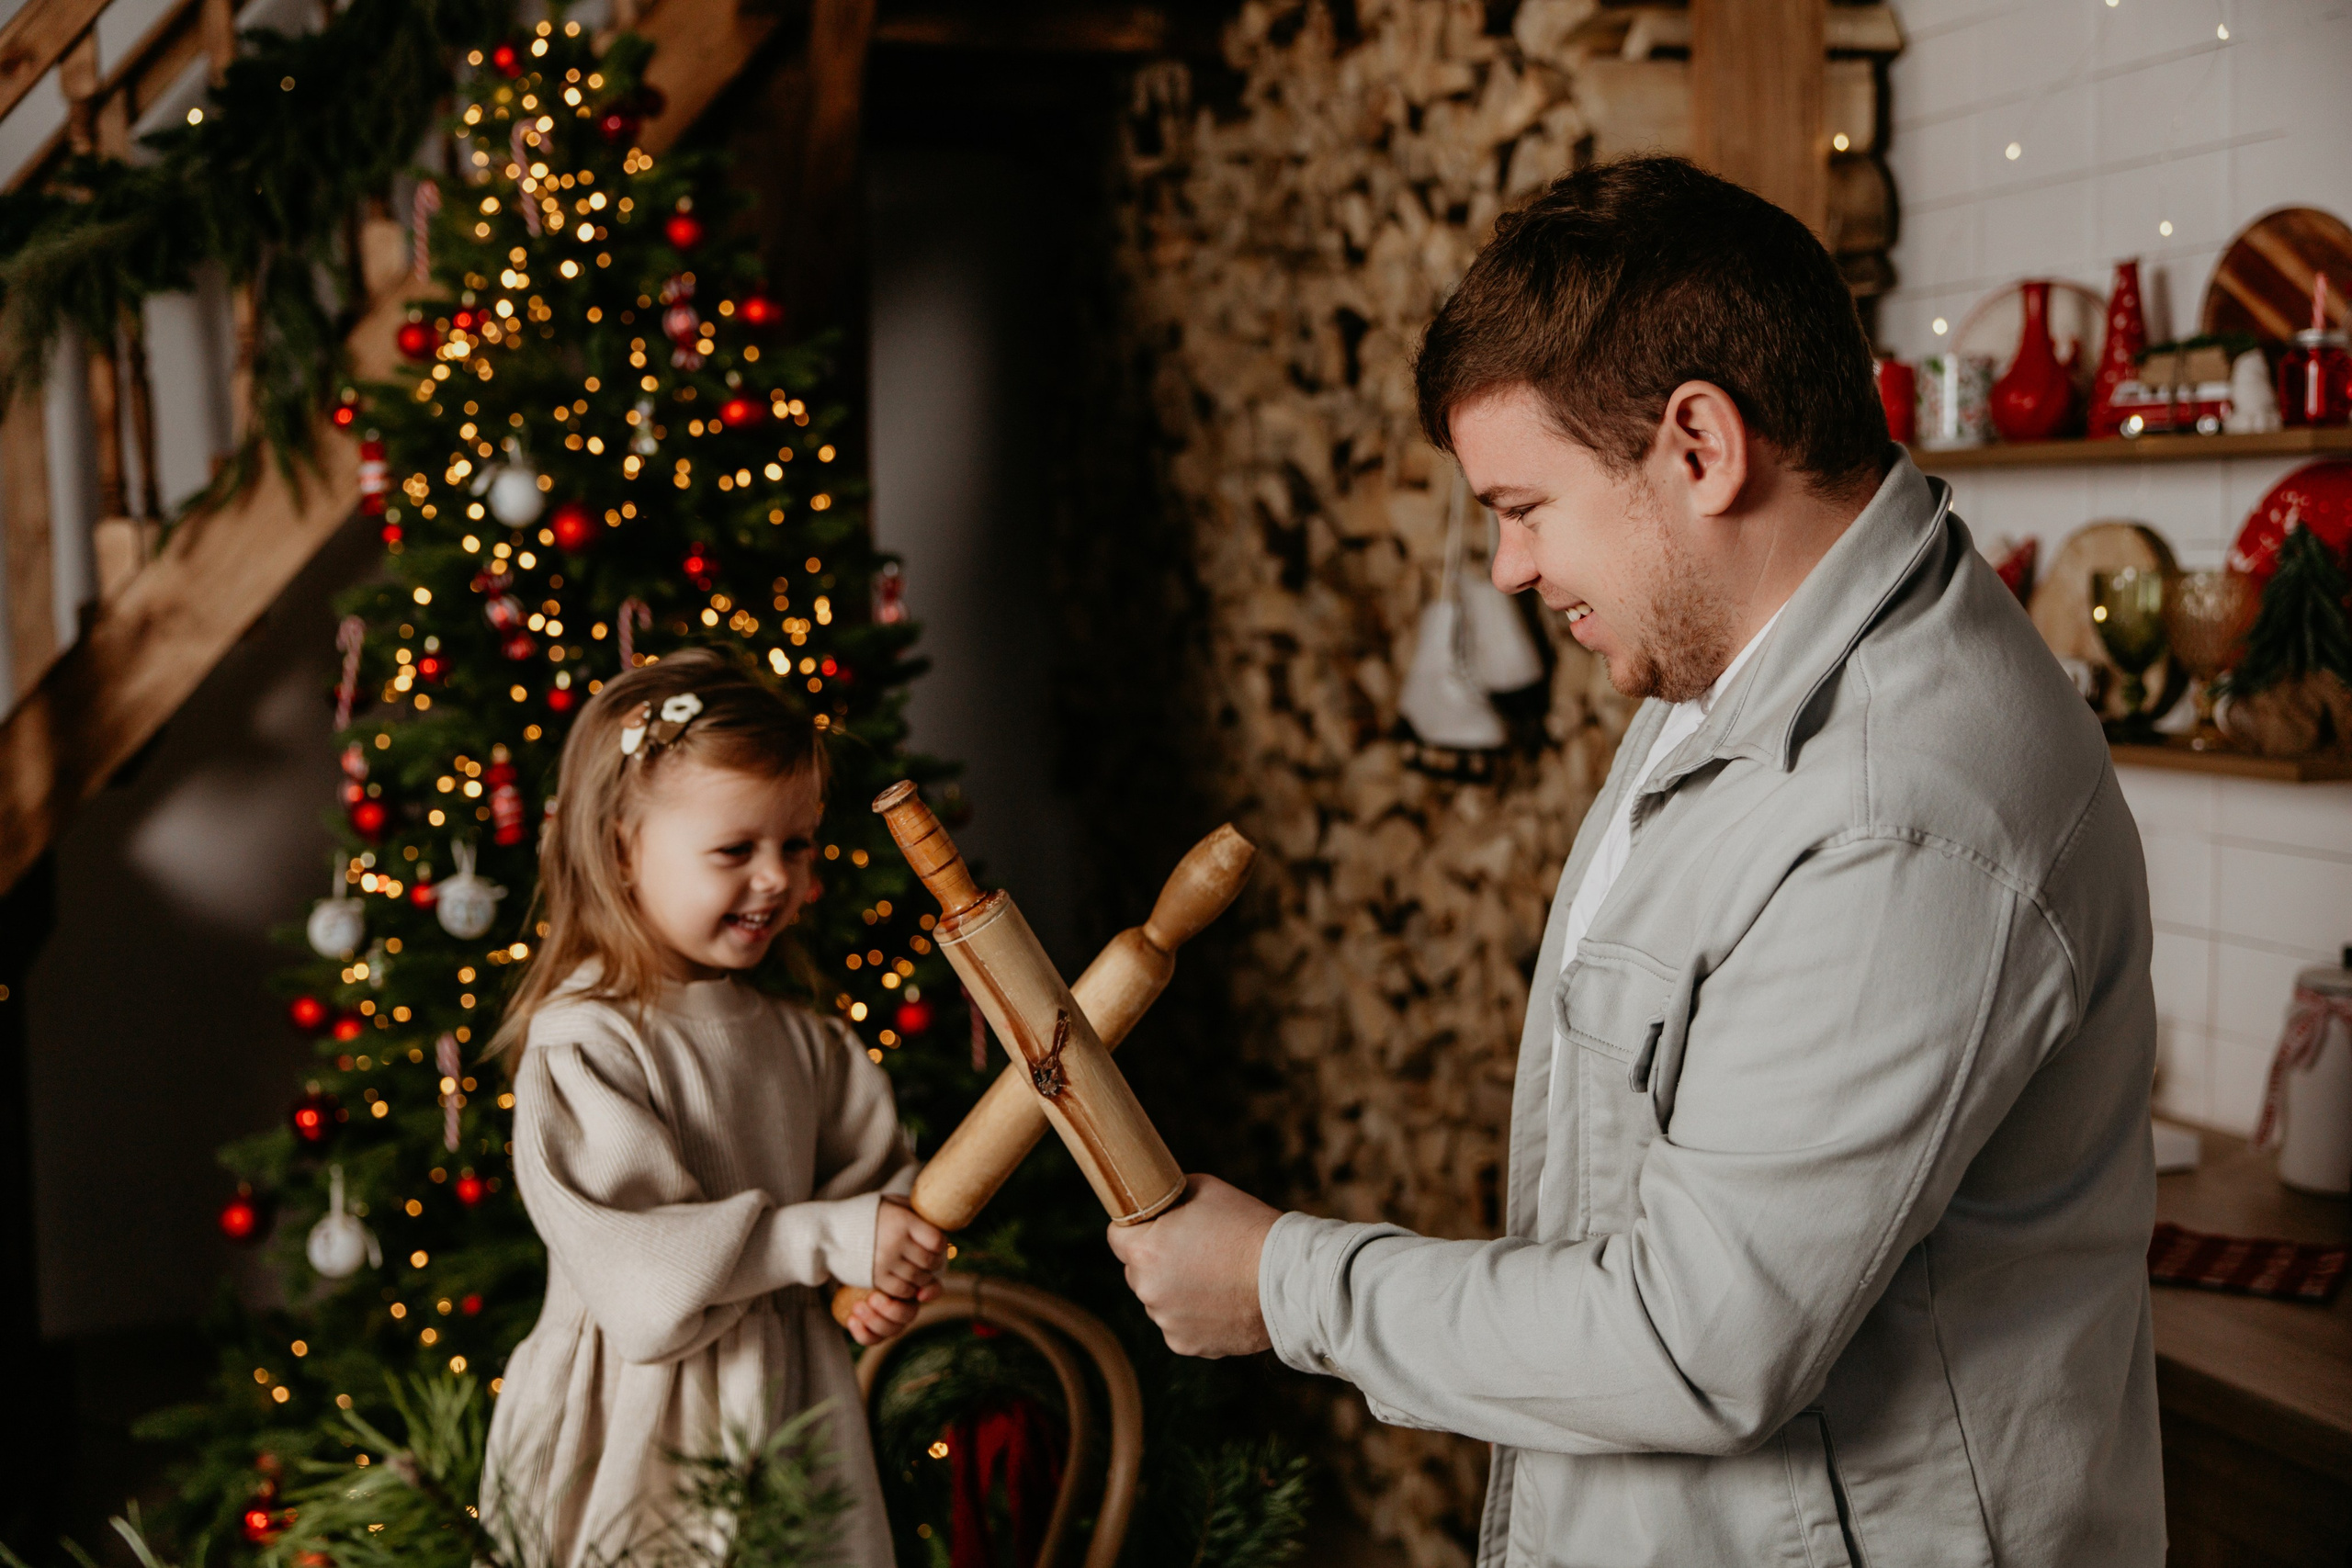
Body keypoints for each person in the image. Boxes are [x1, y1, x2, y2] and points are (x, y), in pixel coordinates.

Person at [1109, 155, 2165, 1565]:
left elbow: (1696, 1336)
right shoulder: (1723, 683)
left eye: (1525, 505)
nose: (1505, 568)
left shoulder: (1899, 810)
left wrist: (1280, 1283)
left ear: (1701, 446)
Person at [480, 647, 942, 1567]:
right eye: (736, 850)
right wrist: (826, 1239)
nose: (776, 878)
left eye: (796, 844)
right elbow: (640, 1282)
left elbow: (880, 1196)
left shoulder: (805, 1042)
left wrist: (869, 1274)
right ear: (621, 849)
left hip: (793, 1405)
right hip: (635, 1420)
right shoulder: (588, 1043)